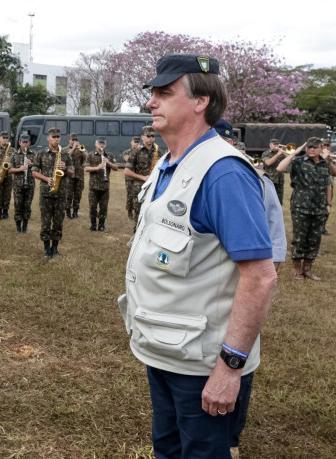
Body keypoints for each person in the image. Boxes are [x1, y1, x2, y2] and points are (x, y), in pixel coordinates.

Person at [118, 54, 276, 458]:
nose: (151, 102)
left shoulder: (223, 173)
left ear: (200, 101)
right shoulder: (168, 163)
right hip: (167, 351)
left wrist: (229, 367)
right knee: (168, 449)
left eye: (164, 93)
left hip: (203, 366)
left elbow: (260, 277)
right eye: (152, 93)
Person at [216, 119, 287, 458]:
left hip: (243, 285)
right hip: (206, 292)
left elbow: (275, 236)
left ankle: (231, 437)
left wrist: (263, 284)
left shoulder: (256, 181)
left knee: (241, 355)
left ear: (232, 144)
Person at [276, 137, 336, 280]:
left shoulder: (324, 163)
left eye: (315, 147)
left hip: (319, 207)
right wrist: (293, 153)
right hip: (301, 207)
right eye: (309, 147)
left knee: (314, 239)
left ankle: (307, 269)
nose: (312, 149)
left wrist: (328, 204)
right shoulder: (299, 161)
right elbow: (280, 168)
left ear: (321, 148)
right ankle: (297, 269)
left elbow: (332, 177)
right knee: (300, 239)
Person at [31, 128, 73, 258]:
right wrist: (46, 179)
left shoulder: (65, 154)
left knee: (58, 222)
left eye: (58, 137)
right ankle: (46, 249)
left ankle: (55, 248)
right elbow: (34, 172)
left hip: (61, 193)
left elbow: (72, 173)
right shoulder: (41, 153)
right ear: (48, 138)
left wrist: (65, 169)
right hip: (46, 193)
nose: (56, 139)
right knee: (46, 222)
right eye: (53, 137)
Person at [124, 126, 160, 229]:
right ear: (142, 137)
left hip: (153, 189)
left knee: (152, 217)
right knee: (139, 217)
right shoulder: (136, 152)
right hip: (139, 189)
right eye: (148, 136)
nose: (151, 139)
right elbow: (127, 171)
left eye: (152, 136)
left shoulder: (158, 152)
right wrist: (143, 177)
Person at [84, 137, 117, 232]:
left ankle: (101, 225)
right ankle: (93, 225)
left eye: (103, 143)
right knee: (92, 207)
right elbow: (86, 168)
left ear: (105, 145)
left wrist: (108, 162)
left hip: (105, 186)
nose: (101, 145)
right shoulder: (90, 155)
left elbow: (116, 168)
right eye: (99, 143)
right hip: (93, 186)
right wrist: (97, 168)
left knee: (103, 207)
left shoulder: (109, 155)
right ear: (96, 144)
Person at [9, 133, 35, 233]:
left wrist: (31, 164)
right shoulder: (14, 154)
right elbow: (10, 170)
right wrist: (19, 169)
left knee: (27, 205)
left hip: (30, 184)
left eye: (26, 142)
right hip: (18, 185)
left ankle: (25, 226)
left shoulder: (34, 154)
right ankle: (18, 226)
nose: (25, 144)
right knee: (18, 205)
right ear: (20, 143)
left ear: (29, 143)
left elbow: (39, 168)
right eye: (23, 142)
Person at [64, 133, 87, 219]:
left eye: (76, 140)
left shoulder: (81, 148)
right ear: (69, 140)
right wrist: (73, 148)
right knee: (68, 195)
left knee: (78, 194)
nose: (74, 141)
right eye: (72, 140)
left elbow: (87, 158)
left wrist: (82, 151)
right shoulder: (65, 149)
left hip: (79, 175)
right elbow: (65, 158)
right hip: (69, 175)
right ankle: (68, 212)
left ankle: (75, 212)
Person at [261, 139, 286, 205]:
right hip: (270, 180)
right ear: (270, 145)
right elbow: (268, 163)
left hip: (280, 180)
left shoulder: (281, 153)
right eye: (274, 144)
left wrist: (284, 152)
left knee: (279, 201)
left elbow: (291, 159)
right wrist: (278, 154)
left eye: (277, 144)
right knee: (269, 201)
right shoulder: (266, 153)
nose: (276, 146)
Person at [123, 136, 141, 221]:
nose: (136, 143)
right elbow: (128, 160)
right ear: (131, 142)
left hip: (138, 176)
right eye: (135, 142)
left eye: (138, 142)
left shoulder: (142, 151)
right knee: (130, 195)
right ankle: (129, 213)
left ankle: (138, 213)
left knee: (139, 195)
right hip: (129, 178)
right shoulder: (127, 152)